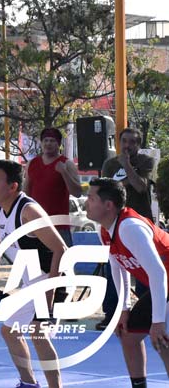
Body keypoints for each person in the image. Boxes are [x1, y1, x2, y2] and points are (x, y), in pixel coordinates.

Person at [0, 160, 68, 388]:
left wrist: (50, 292)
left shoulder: (28, 212)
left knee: (37, 333)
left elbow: (61, 249)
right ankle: (28, 383)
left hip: (54, 277)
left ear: (13, 186)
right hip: (32, 282)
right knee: (9, 331)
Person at [85, 177, 169, 388]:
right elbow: (117, 266)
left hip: (164, 281)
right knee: (129, 335)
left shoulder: (129, 227)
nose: (86, 202)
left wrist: (158, 322)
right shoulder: (104, 229)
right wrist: (123, 310)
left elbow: (158, 274)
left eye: (91, 198)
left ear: (108, 205)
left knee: (162, 340)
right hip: (164, 284)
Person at [100, 127, 157, 329]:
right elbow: (105, 191)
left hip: (141, 225)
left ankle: (148, 314)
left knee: (145, 270)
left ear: (138, 145)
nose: (128, 146)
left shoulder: (145, 162)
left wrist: (127, 166)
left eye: (133, 142)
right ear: (119, 142)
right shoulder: (109, 164)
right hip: (115, 225)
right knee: (114, 267)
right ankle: (112, 314)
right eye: (125, 141)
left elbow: (141, 186)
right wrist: (124, 181)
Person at [24, 127, 82, 247]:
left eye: (52, 141)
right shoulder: (32, 164)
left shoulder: (67, 164)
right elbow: (26, 194)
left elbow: (77, 192)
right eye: (45, 140)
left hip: (59, 226)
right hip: (36, 225)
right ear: (41, 143)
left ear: (59, 144)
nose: (48, 144)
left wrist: (64, 172)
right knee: (37, 264)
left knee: (62, 264)